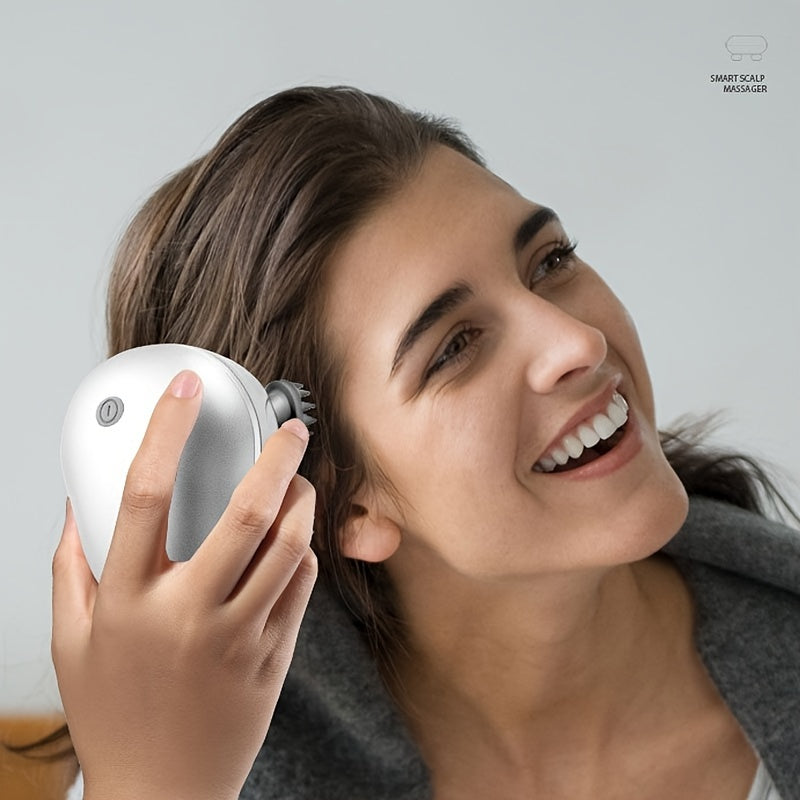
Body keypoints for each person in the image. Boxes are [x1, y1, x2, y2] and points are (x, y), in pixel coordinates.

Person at [51, 86, 799, 800]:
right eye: (455, 347)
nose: (578, 341)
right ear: (347, 507)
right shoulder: (196, 773)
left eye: (550, 262)